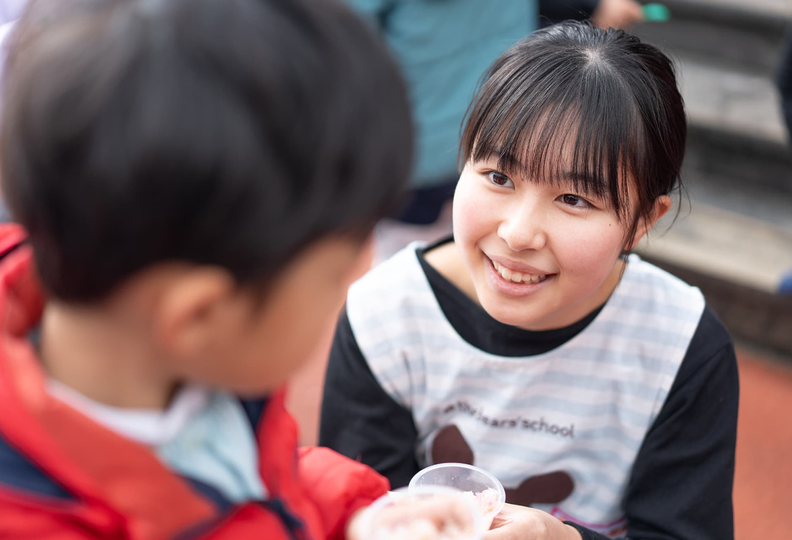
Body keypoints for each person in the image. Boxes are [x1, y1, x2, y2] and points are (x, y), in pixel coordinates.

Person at [0, 0, 413, 538]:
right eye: (336, 273)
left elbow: (263, 483)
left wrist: (361, 518)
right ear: (199, 314)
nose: (364, 274)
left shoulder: (204, 362)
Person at [320, 21, 738, 540]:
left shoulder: (682, 347)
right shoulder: (384, 317)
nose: (518, 234)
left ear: (644, 221)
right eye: (499, 177)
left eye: (574, 199)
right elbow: (354, 513)